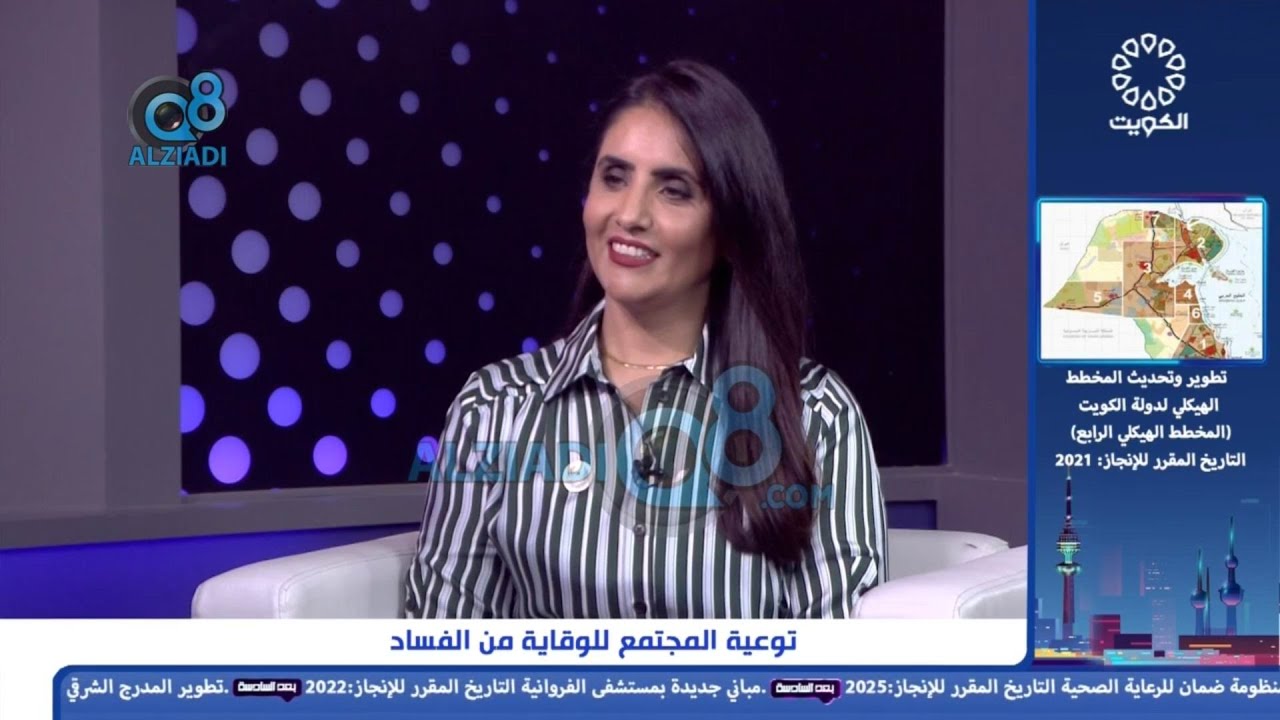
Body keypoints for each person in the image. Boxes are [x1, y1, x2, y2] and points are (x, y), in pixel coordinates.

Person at [405, 59, 887, 619]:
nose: (630, 214)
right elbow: (443, 640)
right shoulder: (495, 408)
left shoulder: (816, 415)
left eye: (674, 191)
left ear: (730, 229)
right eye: (614, 178)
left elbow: (844, 658)